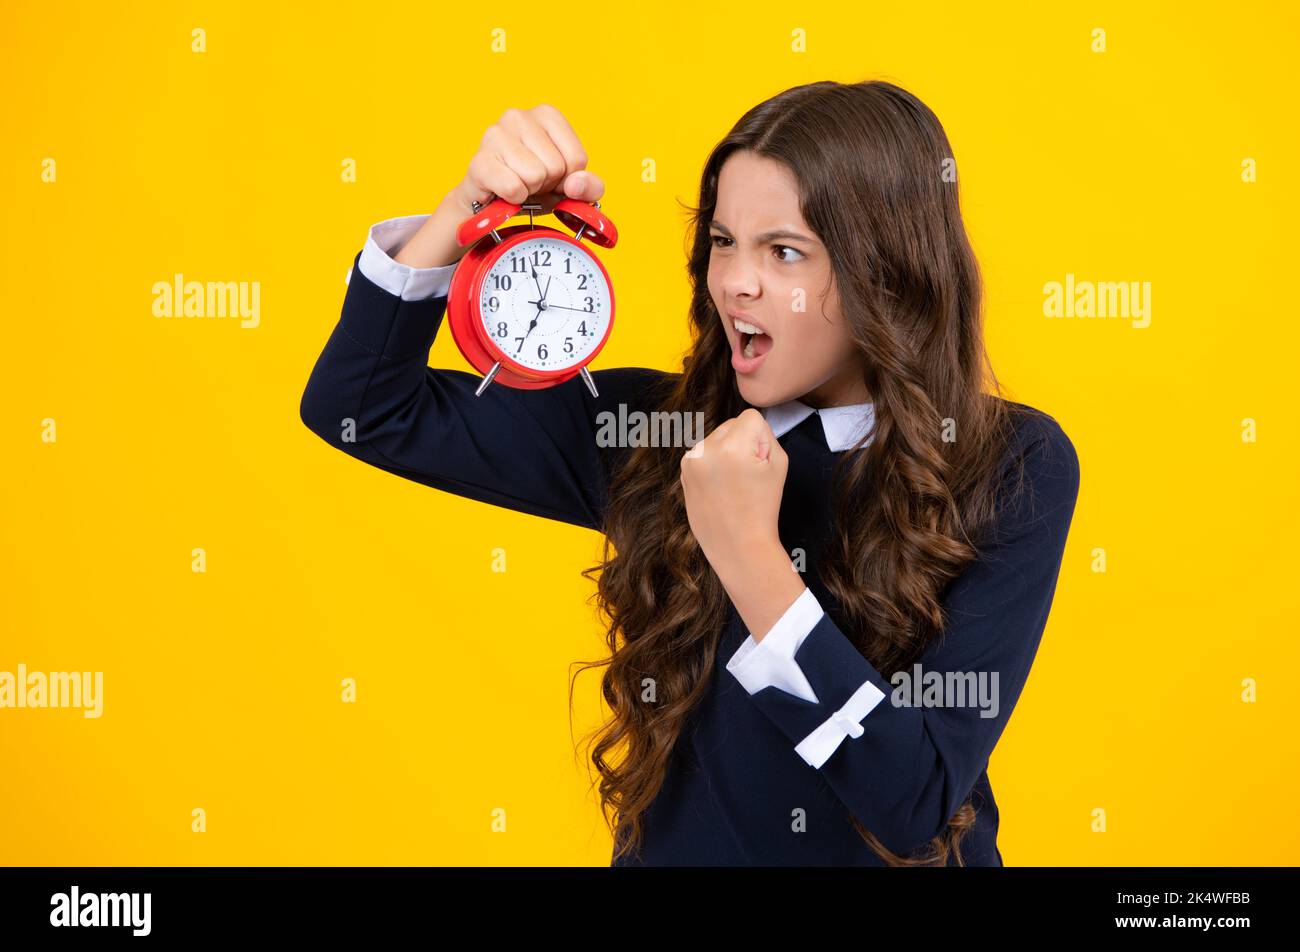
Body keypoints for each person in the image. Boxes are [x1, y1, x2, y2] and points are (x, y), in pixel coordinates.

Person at [299, 81, 1081, 866]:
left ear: (886, 271)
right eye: (722, 240)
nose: (736, 281)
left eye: (783, 252)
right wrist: (467, 208)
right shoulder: (652, 429)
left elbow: (912, 800)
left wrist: (750, 558)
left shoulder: (1011, 463)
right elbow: (362, 406)